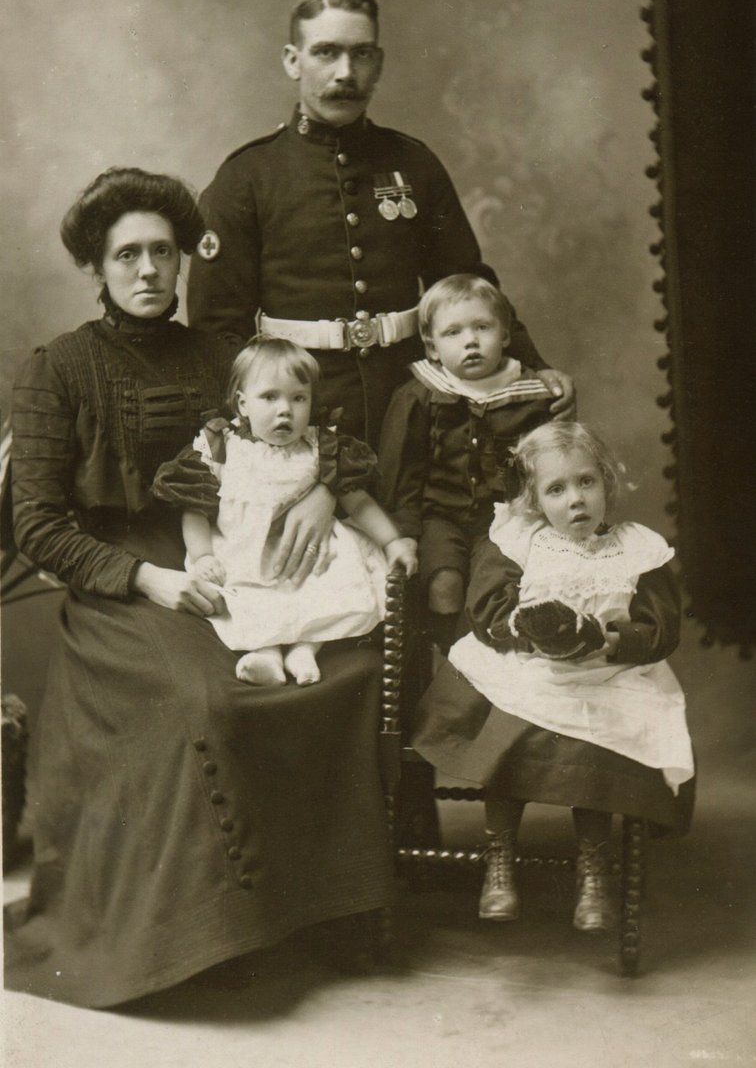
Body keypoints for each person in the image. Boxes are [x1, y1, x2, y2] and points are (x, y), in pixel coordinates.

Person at [5, 168, 395, 1008]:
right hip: (122, 582)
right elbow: (36, 524)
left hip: (237, 557)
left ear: (182, 261)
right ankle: (208, 937)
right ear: (99, 268)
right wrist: (151, 578)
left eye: (162, 253)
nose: (148, 271)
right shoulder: (58, 369)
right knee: (205, 703)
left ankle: (325, 915)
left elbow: (322, 435)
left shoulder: (226, 355)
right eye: (127, 256)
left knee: (350, 672)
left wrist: (325, 488)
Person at [186, 0, 575, 585]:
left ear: (380, 62)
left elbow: (470, 288)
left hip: (414, 409)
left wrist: (531, 366)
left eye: (362, 54)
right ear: (293, 60)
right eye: (325, 53)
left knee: (423, 579)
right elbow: (217, 330)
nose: (345, 72)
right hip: (301, 417)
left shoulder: (413, 164)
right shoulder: (248, 178)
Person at [413, 422, 695, 932]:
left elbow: (661, 626)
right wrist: (533, 631)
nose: (576, 501)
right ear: (533, 499)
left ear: (608, 483)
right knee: (512, 724)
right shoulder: (519, 541)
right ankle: (499, 857)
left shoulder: (638, 548)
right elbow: (489, 608)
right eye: (556, 489)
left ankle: (593, 869)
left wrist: (611, 641)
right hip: (529, 667)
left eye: (587, 482)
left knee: (599, 742)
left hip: (608, 674)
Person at [152, 336, 417, 687]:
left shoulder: (321, 446)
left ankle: (306, 649)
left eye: (298, 398)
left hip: (314, 557)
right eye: (269, 397)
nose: (285, 410)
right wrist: (201, 555)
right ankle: (267, 655)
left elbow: (359, 501)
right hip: (247, 554)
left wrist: (392, 541)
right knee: (252, 599)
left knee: (334, 589)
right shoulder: (221, 447)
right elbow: (195, 508)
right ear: (242, 404)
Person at [378, 274, 555, 654]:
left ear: (506, 335)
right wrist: (405, 531)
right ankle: (450, 659)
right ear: (433, 347)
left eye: (482, 327)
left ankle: (482, 665)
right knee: (443, 583)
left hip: (508, 519)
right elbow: (402, 473)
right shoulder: (419, 395)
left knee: (495, 587)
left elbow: (551, 469)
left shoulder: (530, 396)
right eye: (453, 333)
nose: (470, 341)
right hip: (440, 516)